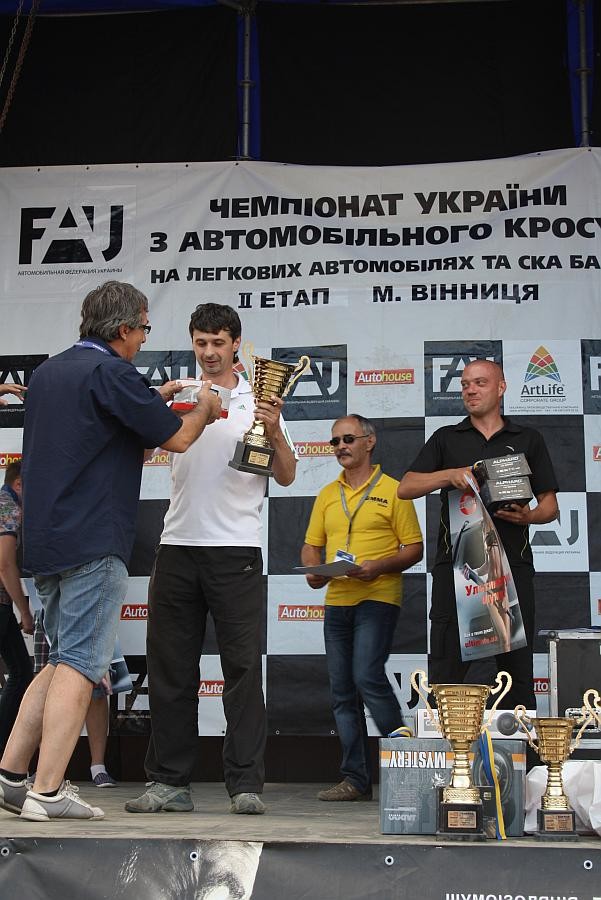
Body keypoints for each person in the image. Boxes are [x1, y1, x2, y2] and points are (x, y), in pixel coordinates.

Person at [0, 280, 221, 822]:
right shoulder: (112, 372)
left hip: (47, 539)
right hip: (93, 538)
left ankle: (10, 776)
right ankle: (47, 791)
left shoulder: (49, 372)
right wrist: (206, 406)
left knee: (57, 663)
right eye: (144, 328)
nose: (144, 338)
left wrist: (151, 401)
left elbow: (105, 435)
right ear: (123, 329)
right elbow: (178, 439)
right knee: (81, 665)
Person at [126, 303, 297, 817]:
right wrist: (154, 406)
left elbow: (286, 474)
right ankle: (169, 783)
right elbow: (139, 454)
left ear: (236, 343)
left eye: (218, 342)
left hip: (236, 549)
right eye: (200, 342)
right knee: (170, 671)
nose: (209, 352)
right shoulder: (181, 393)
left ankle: (245, 785)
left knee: (242, 671)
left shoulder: (260, 397)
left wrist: (273, 428)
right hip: (176, 545)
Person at [397, 359, 559, 709]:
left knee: (516, 674)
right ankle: (447, 742)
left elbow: (550, 506)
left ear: (501, 388)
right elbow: (406, 487)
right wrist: (449, 475)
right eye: (465, 384)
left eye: (480, 383)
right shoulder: (446, 438)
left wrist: (528, 516)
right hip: (456, 570)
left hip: (512, 568)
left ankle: (519, 744)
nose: (470, 390)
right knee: (446, 672)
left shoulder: (527, 439)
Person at [301, 414, 423, 802]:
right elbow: (311, 545)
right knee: (342, 692)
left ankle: (409, 765)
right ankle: (355, 779)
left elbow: (414, 548)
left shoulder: (394, 490)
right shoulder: (326, 493)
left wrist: (377, 567)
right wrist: (313, 570)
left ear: (369, 442)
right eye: (335, 441)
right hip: (337, 599)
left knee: (366, 675)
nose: (341, 446)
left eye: (348, 439)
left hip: (378, 596)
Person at [0, 461, 33, 758]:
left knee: (22, 671)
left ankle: (4, 752)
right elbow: (5, 565)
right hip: (2, 603)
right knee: (21, 671)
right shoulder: (8, 506)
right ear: (19, 483)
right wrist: (25, 611)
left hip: (3, 604)